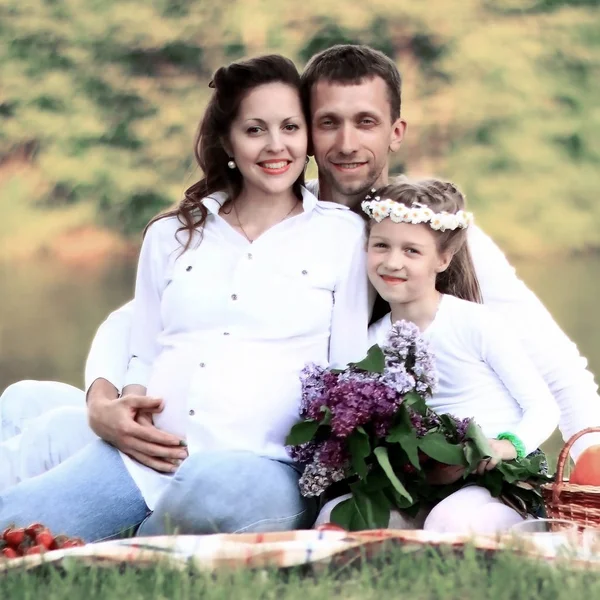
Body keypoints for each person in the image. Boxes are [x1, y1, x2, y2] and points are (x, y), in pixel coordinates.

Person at [2, 43, 599, 496]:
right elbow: (143, 321)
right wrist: (103, 396)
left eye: (364, 121)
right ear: (304, 130)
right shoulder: (275, 213)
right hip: (216, 429)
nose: (344, 142)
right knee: (26, 399)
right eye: (325, 121)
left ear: (395, 133)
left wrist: (588, 461)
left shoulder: (428, 234)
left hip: (354, 455)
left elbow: (554, 365)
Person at [0, 53, 372, 541]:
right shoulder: (171, 234)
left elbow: (347, 369)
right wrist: (127, 404)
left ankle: (134, 546)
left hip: (263, 467)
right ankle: (130, 535)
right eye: (255, 129)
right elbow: (142, 345)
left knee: (209, 491)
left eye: (290, 127)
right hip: (144, 459)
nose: (275, 145)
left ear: (307, 140)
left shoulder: (342, 236)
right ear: (227, 142)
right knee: (13, 524)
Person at [319, 177, 560, 534]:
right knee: (335, 515)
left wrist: (504, 447)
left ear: (443, 259)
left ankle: (511, 531)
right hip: (423, 480)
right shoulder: (372, 339)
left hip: (492, 478)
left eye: (412, 251)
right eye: (381, 245)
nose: (392, 262)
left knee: (450, 521)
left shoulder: (474, 323)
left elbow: (544, 409)